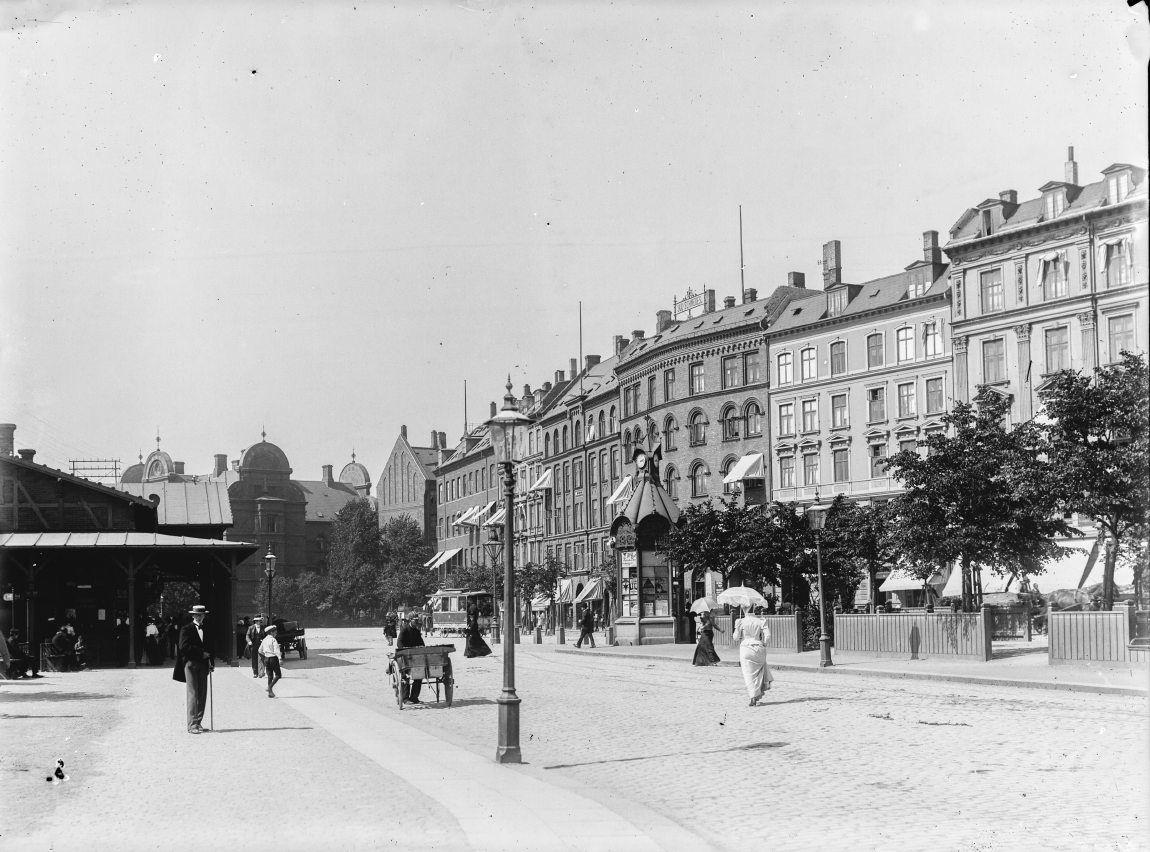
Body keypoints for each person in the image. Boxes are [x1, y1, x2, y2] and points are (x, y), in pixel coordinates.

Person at [173, 604, 214, 734]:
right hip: (190, 664)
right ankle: (191, 725)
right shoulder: (186, 629)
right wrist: (201, 653)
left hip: (203, 665)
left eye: (202, 615)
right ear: (193, 615)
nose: (200, 617)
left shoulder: (207, 628)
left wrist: (211, 661)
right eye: (197, 615)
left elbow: (211, 647)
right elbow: (183, 647)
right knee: (193, 693)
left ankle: (198, 722)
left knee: (202, 694)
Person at [732, 606, 774, 706]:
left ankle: (752, 697)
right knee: (759, 673)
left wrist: (737, 628)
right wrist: (764, 643)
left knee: (748, 675)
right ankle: (756, 694)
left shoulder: (740, 621)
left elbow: (736, 638)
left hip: (746, 648)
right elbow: (767, 635)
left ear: (743, 609)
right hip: (759, 647)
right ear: (754, 609)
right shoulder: (761, 620)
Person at [396, 612, 426, 704]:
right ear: (410, 620)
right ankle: (405, 698)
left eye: (417, 620)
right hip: (405, 657)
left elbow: (422, 643)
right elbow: (399, 643)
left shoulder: (417, 631)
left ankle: (414, 697)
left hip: (415, 657)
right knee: (405, 677)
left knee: (419, 676)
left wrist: (421, 647)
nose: (416, 622)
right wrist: (405, 650)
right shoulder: (404, 629)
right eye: (415, 620)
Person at [259, 623, 282, 698]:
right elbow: (276, 650)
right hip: (273, 658)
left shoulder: (264, 640)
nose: (276, 633)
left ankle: (270, 693)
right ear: (271, 632)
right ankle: (269, 687)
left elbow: (260, 650)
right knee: (278, 675)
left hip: (266, 658)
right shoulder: (273, 640)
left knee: (270, 676)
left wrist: (265, 655)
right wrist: (280, 658)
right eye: (275, 632)